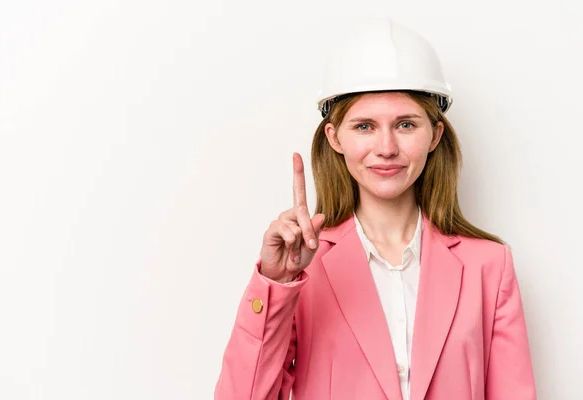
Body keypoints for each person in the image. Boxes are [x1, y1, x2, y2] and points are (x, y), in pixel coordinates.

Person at [214, 18, 536, 400]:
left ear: (435, 135)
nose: (386, 148)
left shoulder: (489, 267)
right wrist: (275, 283)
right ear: (335, 138)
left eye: (405, 124)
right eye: (364, 126)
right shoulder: (303, 269)